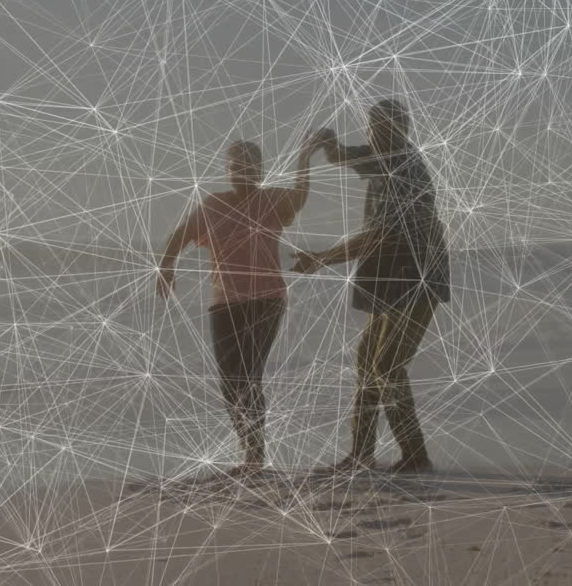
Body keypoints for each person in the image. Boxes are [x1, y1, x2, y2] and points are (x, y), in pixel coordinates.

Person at [293, 99, 449, 474]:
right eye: (372, 128)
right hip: (389, 274)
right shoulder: (386, 157)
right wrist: (328, 146)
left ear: (401, 131)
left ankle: (415, 456)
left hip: (415, 277)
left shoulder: (402, 168)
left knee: (387, 366)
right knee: (367, 363)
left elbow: (379, 236)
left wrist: (322, 258)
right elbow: (350, 158)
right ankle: (361, 453)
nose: (373, 135)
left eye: (382, 129)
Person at [157, 135, 323, 476]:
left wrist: (304, 157)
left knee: (248, 374)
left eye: (249, 166)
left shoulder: (272, 200)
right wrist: (166, 266)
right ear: (227, 170)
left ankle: (254, 457)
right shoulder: (213, 205)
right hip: (224, 303)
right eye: (235, 167)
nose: (242, 172)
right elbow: (181, 234)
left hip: (266, 300)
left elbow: (300, 197)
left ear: (260, 169)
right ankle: (249, 450)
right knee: (229, 380)